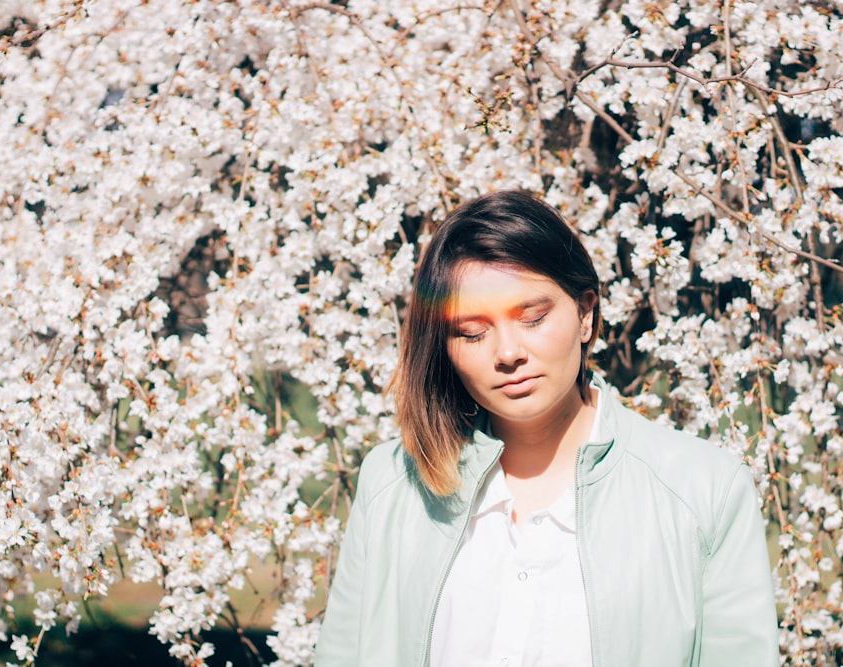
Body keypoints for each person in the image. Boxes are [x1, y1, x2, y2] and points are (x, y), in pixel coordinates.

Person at [313, 190, 779, 666]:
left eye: (533, 319)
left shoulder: (705, 490)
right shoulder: (393, 485)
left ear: (584, 313)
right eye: (472, 333)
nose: (507, 352)